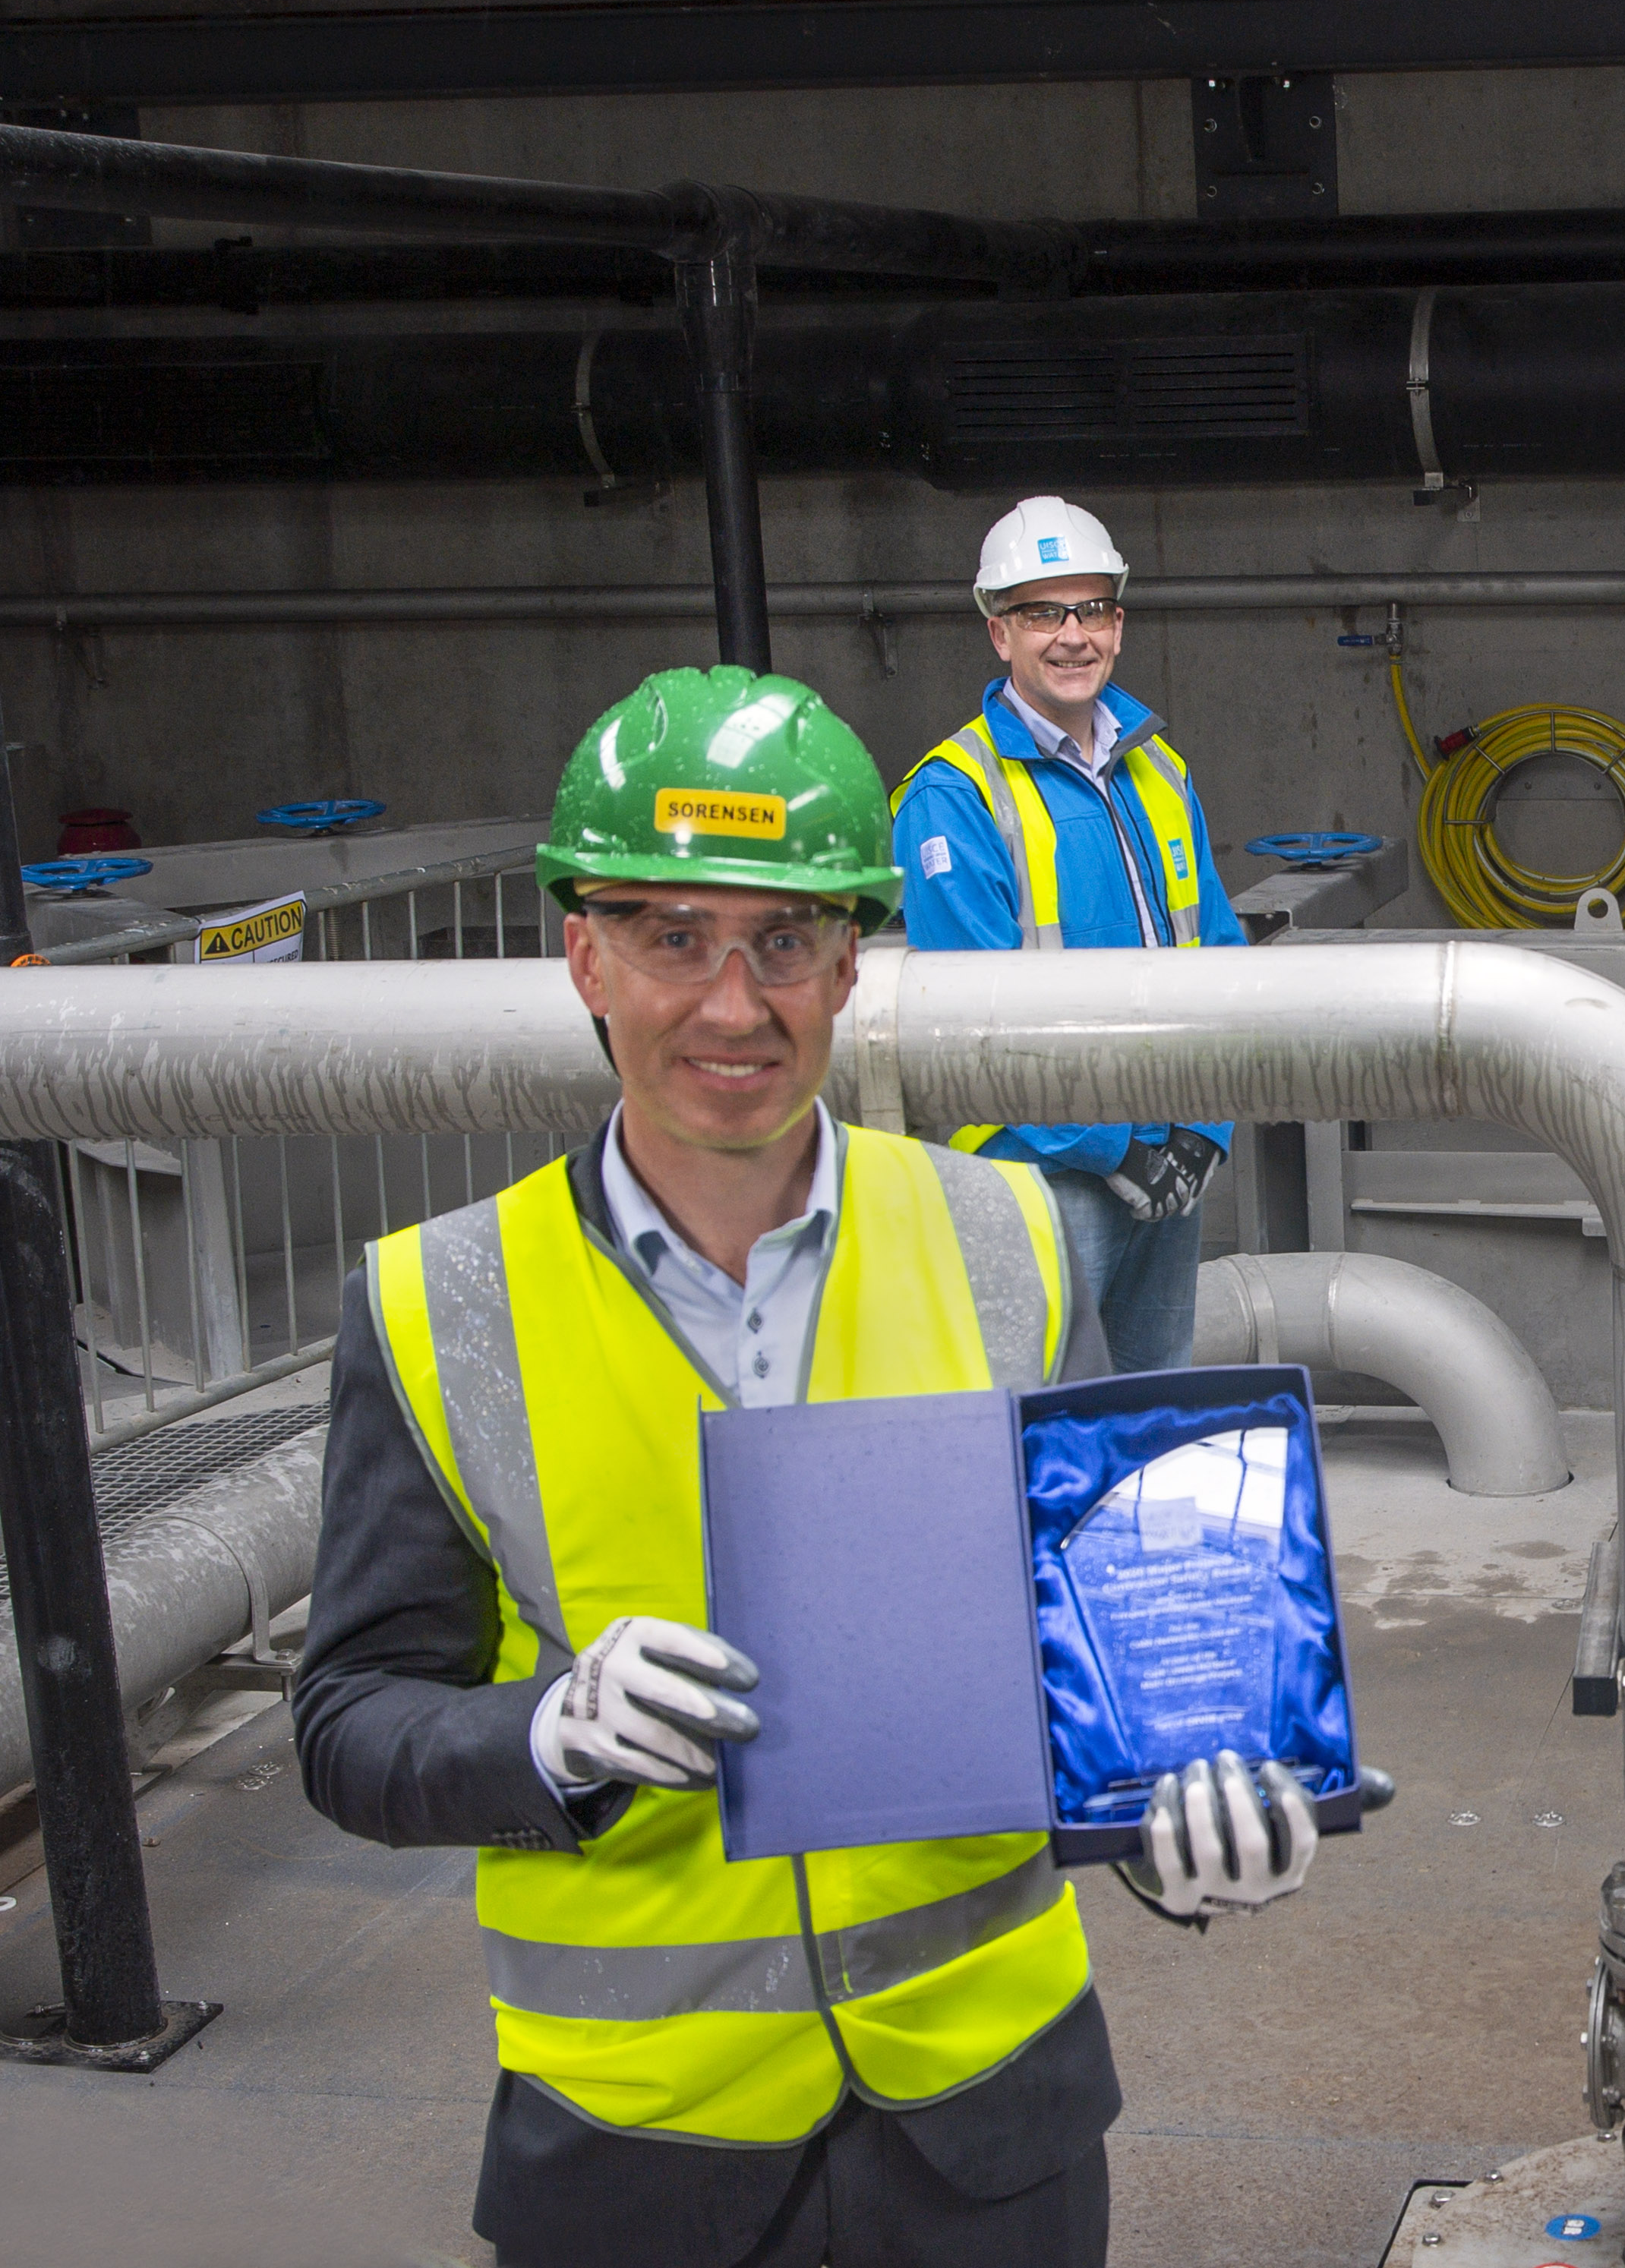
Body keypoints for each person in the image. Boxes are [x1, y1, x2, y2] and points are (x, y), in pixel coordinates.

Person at [293, 667, 1321, 2268]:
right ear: (582, 954)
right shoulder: (439, 1306)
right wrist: (549, 1738)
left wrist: (1191, 1814)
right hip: (637, 2150)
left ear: (852, 960)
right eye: (671, 936)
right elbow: (353, 1722)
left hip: (993, 2124)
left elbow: (1109, 1668)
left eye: (784, 940)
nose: (732, 1003)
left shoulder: (1014, 1247)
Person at [895, 496, 1248, 1375]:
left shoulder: (1159, 768)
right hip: (1036, 1176)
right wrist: (1116, 1145)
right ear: (998, 633)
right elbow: (976, 1017)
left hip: (1169, 1157)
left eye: (1090, 609)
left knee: (1147, 1408)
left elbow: (1223, 956)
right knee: (1036, 1417)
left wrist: (1206, 1130)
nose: (1071, 635)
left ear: (1119, 626)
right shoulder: (955, 795)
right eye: (1041, 612)